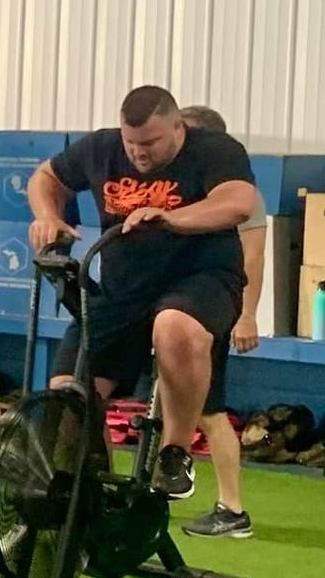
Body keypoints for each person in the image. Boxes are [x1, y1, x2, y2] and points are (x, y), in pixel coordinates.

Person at [27, 85, 256, 501]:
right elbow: (46, 177)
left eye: (150, 142)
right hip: (123, 291)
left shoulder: (215, 150)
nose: (138, 153)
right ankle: (95, 495)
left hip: (200, 281)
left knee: (174, 326)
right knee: (68, 391)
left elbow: (238, 202)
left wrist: (172, 218)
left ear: (177, 127)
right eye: (131, 143)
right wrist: (48, 216)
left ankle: (174, 453)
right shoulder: (102, 148)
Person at [174, 105, 264, 538]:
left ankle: (232, 510)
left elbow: (253, 257)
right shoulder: (187, 187)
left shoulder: (240, 193)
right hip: (179, 311)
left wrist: (246, 316)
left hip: (212, 313)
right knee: (170, 403)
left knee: (210, 412)